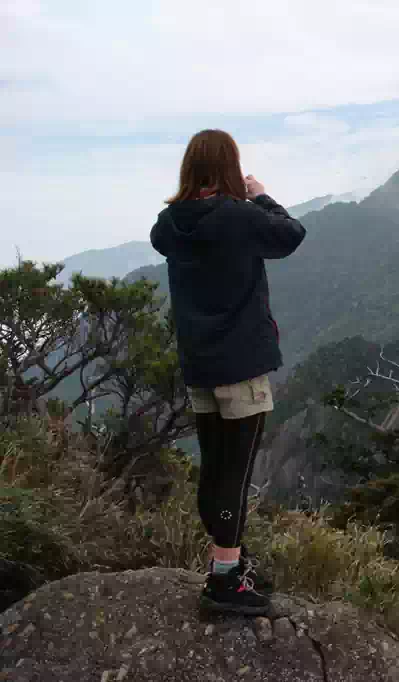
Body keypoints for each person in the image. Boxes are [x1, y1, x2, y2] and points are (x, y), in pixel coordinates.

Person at [150, 129, 306, 615]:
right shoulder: (239, 217)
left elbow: (168, 239)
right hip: (240, 365)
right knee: (235, 475)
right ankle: (224, 581)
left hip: (200, 365)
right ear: (229, 167)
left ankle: (228, 561)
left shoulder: (169, 224)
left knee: (215, 466)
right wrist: (261, 195)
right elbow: (290, 235)